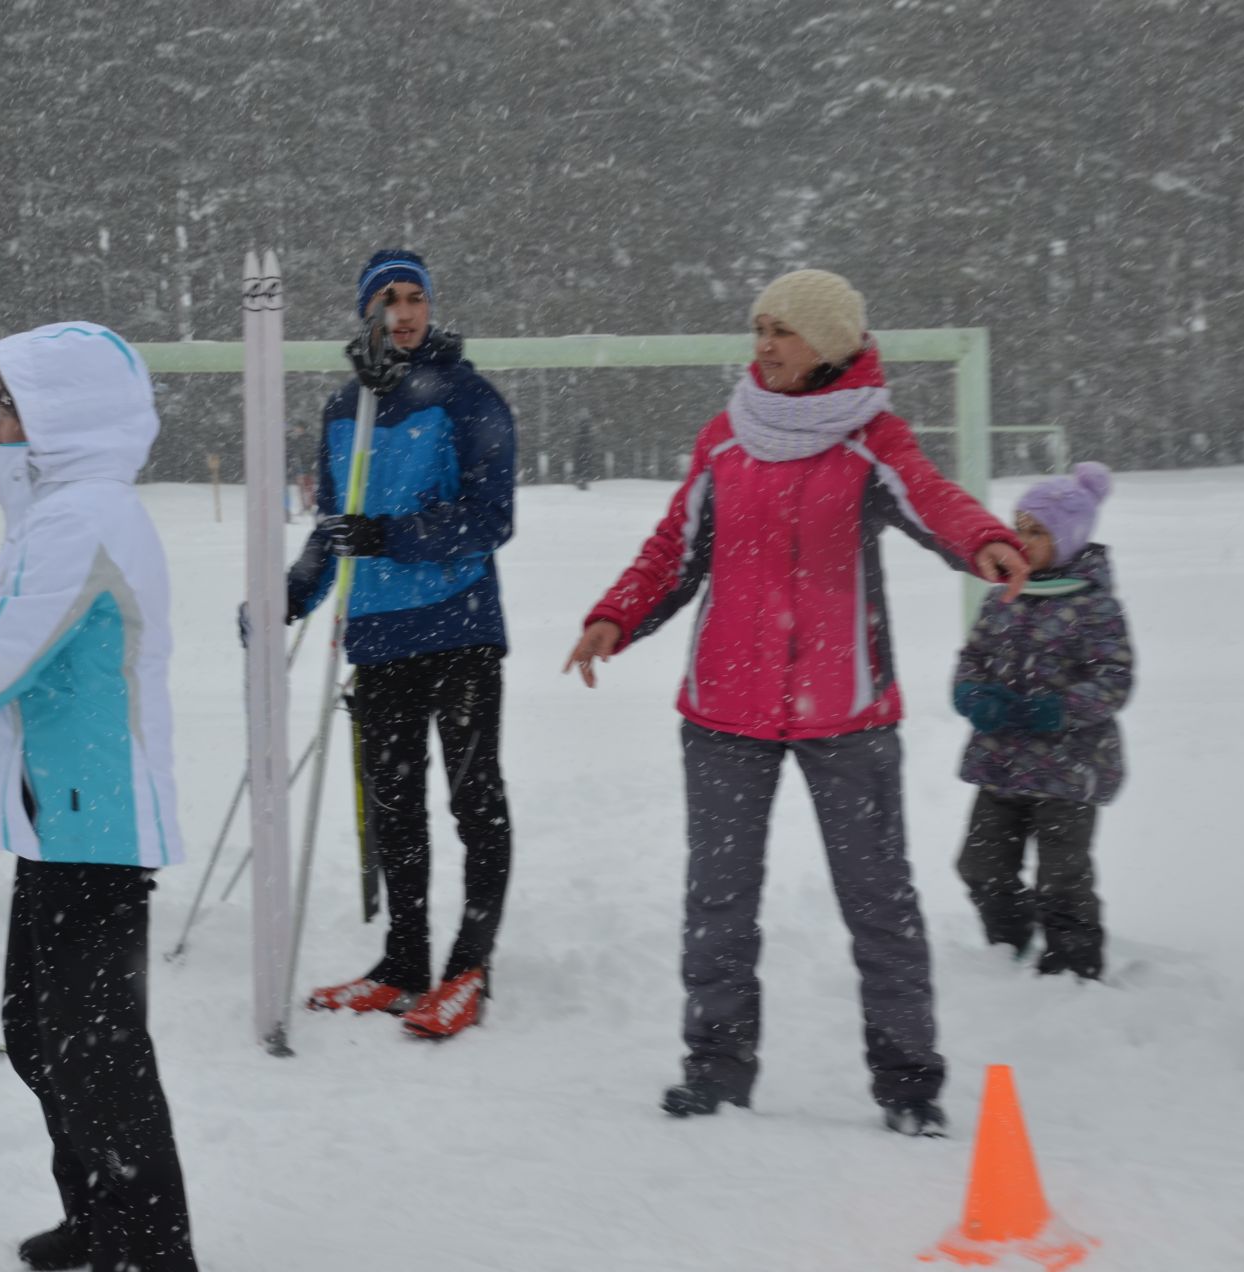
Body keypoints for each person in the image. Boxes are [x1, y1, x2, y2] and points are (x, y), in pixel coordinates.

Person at [564, 269, 1029, 1136]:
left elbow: (934, 499)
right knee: (719, 903)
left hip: (845, 716)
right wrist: (615, 614)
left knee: (879, 904)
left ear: (830, 344)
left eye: (781, 330)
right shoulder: (725, 440)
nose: (763, 346)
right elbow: (675, 548)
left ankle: (908, 1085)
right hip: (723, 715)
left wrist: (986, 542)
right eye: (759, 328)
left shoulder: (871, 439)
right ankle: (715, 1069)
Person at [0, 321, 196, 1272]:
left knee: (97, 1050)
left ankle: (150, 1247)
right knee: (41, 1033)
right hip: (61, 817)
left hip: (95, 827)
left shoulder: (82, 520)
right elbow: (14, 648)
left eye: (9, 405)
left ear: (59, 417)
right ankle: (101, 1215)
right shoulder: (65, 512)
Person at [283, 249, 517, 1041]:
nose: (405, 312)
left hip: (459, 629)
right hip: (379, 636)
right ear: (366, 313)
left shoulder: (468, 397)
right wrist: (291, 592)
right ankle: (403, 963)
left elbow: (492, 520)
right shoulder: (343, 408)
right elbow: (334, 528)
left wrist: (390, 536)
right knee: (393, 809)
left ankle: (468, 968)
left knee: (472, 798)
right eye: (389, 299)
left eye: (416, 297)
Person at [953, 462, 1132, 981]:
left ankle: (1074, 968)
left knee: (1062, 877)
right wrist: (970, 693)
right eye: (1018, 527)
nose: (1021, 540)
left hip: (1068, 771)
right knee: (980, 866)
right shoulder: (1001, 596)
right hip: (1001, 764)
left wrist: (1055, 710)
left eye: (1036, 530)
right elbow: (974, 656)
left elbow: (1114, 680)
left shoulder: (1095, 607)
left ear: (1069, 536)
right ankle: (1006, 947)